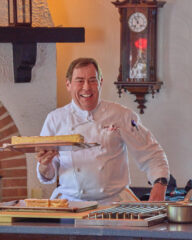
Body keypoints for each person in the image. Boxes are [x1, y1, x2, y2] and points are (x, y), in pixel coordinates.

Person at [36, 57, 169, 205]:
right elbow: (48, 175)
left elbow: (152, 154)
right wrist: (44, 165)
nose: (86, 87)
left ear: (100, 82)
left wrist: (159, 185)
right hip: (69, 204)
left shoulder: (121, 115)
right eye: (80, 80)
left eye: (92, 80)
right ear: (68, 84)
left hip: (114, 204)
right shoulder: (55, 119)